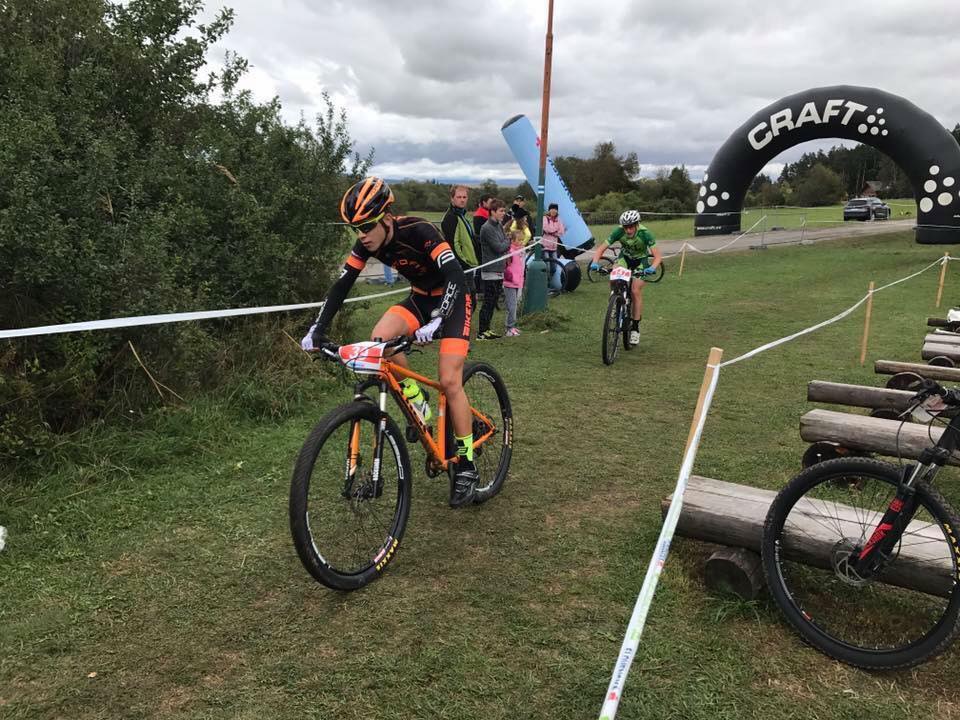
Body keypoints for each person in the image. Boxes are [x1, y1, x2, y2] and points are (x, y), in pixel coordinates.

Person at [301, 177, 479, 507]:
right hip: (420, 298)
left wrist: (440, 317)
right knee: (380, 340)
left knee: (450, 380)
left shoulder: (419, 230)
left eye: (367, 226)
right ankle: (418, 401)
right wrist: (317, 329)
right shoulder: (365, 244)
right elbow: (342, 285)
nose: (362, 235)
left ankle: (466, 464)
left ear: (386, 218)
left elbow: (455, 273)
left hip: (454, 299)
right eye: (355, 228)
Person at [589, 210, 662, 346]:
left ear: (637, 224)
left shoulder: (645, 234)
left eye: (631, 227)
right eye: (625, 227)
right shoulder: (618, 231)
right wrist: (594, 262)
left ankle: (635, 328)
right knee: (614, 274)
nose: (628, 230)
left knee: (635, 290)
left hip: (641, 261)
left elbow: (657, 256)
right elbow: (601, 249)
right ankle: (615, 299)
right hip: (625, 258)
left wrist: (652, 268)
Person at [476, 199, 510, 340]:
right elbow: (499, 247)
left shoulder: (499, 225)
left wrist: (505, 241)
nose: (503, 213)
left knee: (493, 301)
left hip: (499, 269)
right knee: (488, 301)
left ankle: (487, 329)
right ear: (493, 212)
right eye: (501, 211)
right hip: (490, 270)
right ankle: (482, 332)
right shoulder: (487, 228)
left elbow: (504, 241)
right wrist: (508, 241)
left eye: (504, 211)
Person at [441, 184, 480, 303]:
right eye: (459, 197)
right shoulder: (451, 218)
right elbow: (453, 246)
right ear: (452, 199)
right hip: (461, 267)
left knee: (471, 300)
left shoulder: (461, 216)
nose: (462, 200)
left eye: (464, 197)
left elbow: (469, 239)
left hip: (469, 265)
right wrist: (464, 264)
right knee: (465, 302)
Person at [502, 228, 526, 336]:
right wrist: (510, 277)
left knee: (514, 306)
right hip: (510, 283)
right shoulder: (510, 251)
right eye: (519, 240)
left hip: (517, 282)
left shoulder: (520, 251)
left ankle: (512, 326)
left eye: (522, 240)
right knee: (511, 306)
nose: (521, 242)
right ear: (512, 240)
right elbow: (506, 266)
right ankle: (509, 328)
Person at [541, 202, 566, 292]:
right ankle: (544, 286)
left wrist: (552, 232)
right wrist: (555, 231)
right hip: (545, 246)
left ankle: (549, 283)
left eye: (555, 209)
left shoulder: (559, 219)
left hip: (554, 247)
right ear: (549, 210)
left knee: (554, 267)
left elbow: (561, 232)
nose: (554, 211)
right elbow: (545, 228)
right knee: (547, 267)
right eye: (552, 209)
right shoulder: (545, 218)